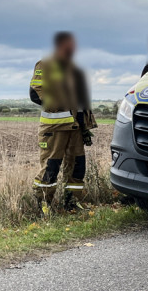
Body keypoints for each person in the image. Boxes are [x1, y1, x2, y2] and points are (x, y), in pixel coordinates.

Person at [29, 31, 97, 207]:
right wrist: (59, 104)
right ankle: (43, 203)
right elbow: (36, 94)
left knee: (77, 167)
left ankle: (72, 201)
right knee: (51, 167)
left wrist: (85, 127)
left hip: (75, 129)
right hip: (55, 128)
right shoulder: (45, 65)